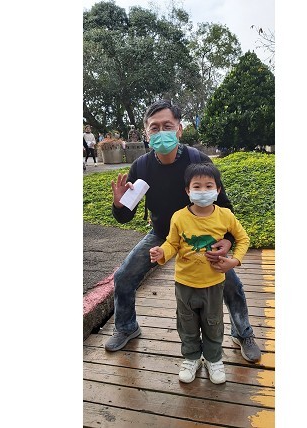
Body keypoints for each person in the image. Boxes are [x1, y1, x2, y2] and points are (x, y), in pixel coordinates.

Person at [106, 99, 262, 363]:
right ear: (146, 133)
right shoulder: (141, 167)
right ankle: (126, 327)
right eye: (154, 127)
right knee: (123, 277)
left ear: (179, 129)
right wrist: (119, 204)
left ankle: (242, 332)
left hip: (203, 236)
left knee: (231, 284)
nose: (161, 132)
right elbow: (125, 216)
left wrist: (227, 240)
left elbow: (224, 205)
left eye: (167, 126)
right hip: (162, 235)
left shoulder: (196, 160)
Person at [149, 163, 250, 384]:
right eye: (197, 186)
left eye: (209, 186)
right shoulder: (179, 217)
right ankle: (191, 357)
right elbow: (172, 243)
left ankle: (214, 358)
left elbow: (242, 239)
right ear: (187, 190)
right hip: (184, 282)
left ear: (218, 190)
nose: (203, 191)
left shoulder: (225, 215)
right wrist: (162, 252)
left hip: (213, 283)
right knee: (187, 323)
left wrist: (234, 261)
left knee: (213, 323)